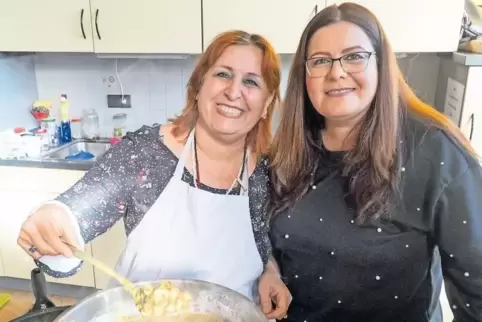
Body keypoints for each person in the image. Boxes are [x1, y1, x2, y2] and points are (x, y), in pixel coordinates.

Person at [17, 30, 290, 317]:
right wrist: (55, 219)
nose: (234, 92)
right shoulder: (146, 154)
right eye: (222, 74)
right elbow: (79, 210)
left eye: (251, 81)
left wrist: (270, 271)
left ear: (266, 103)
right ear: (199, 86)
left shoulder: (265, 168)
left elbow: (261, 241)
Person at [267, 3, 482, 322]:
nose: (336, 72)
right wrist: (269, 268)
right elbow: (271, 239)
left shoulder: (435, 153)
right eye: (321, 60)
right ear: (305, 76)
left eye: (354, 56)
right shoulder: (290, 150)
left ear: (382, 65)